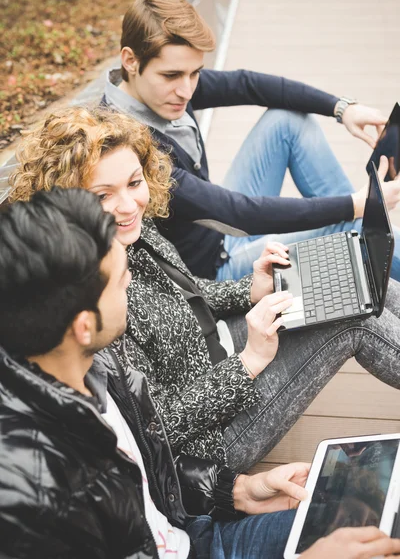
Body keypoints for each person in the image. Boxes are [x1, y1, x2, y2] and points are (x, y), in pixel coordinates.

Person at [3, 188, 396, 559]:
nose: (130, 281)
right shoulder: (46, 500)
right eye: (120, 284)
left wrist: (236, 490)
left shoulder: (96, 367)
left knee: (378, 520)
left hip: (197, 536)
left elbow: (152, 469)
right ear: (83, 326)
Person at [9, 107, 400, 476]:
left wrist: (253, 286)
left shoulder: (129, 231)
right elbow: (155, 431)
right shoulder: (90, 297)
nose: (128, 205)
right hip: (218, 434)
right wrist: (247, 363)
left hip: (226, 346)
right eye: (102, 195)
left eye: (134, 182)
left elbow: (188, 293)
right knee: (356, 318)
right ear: (65, 201)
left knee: (353, 277)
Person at [102, 0, 400, 281]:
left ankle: (364, 229)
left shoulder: (157, 89)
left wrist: (342, 108)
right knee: (348, 223)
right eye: (172, 75)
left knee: (287, 122)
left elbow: (248, 84)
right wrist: (354, 206)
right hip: (215, 270)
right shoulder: (130, 146)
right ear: (130, 61)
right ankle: (365, 228)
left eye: (195, 73)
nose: (186, 90)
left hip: (219, 229)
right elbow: (238, 214)